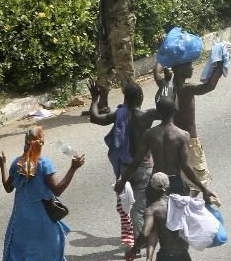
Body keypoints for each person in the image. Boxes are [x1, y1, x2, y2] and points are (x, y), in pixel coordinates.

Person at [0, 126, 86, 261]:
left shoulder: (17, 163)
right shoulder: (44, 164)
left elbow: (8, 187)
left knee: (22, 252)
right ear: (42, 142)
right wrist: (73, 168)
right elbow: (58, 189)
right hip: (43, 219)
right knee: (47, 253)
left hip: (21, 220)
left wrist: (2, 164)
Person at [88, 79, 159, 259]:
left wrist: (95, 98)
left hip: (123, 167)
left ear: (125, 98)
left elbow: (95, 117)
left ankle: (135, 242)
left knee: (128, 207)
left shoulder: (118, 114)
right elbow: (168, 108)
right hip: (142, 167)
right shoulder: (145, 116)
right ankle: (137, 246)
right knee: (138, 208)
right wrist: (165, 84)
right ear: (141, 97)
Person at [72, 0, 138, 113]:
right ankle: (102, 103)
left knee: (124, 65)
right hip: (109, 23)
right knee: (105, 63)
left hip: (122, 24)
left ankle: (131, 106)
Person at [115, 97, 216, 203]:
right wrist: (203, 188)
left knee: (154, 214)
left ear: (158, 112)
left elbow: (137, 160)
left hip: (156, 182)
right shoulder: (182, 135)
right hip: (175, 182)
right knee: (178, 217)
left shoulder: (150, 134)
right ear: (175, 110)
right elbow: (186, 166)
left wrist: (123, 181)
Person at [154, 59, 224, 200]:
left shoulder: (166, 86)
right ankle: (184, 202)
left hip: (172, 139)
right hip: (190, 141)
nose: (192, 68)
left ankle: (180, 200)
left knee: (181, 174)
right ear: (179, 70)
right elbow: (209, 86)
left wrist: (164, 56)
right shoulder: (188, 89)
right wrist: (221, 65)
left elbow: (157, 72)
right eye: (188, 66)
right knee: (200, 179)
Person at [142, 172, 192, 261]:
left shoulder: (153, 209)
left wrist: (135, 250)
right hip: (184, 255)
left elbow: (146, 233)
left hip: (165, 255)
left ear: (152, 187)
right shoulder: (181, 203)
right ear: (168, 185)